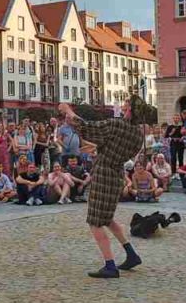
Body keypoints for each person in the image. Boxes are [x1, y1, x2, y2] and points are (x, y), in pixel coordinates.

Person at [58, 104, 143, 278]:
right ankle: (131, 254)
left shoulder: (116, 124)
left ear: (130, 111)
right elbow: (112, 144)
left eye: (126, 106)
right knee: (107, 218)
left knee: (95, 221)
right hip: (116, 175)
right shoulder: (138, 134)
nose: (123, 108)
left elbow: (88, 127)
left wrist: (68, 110)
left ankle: (110, 265)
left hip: (104, 175)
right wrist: (100, 149)